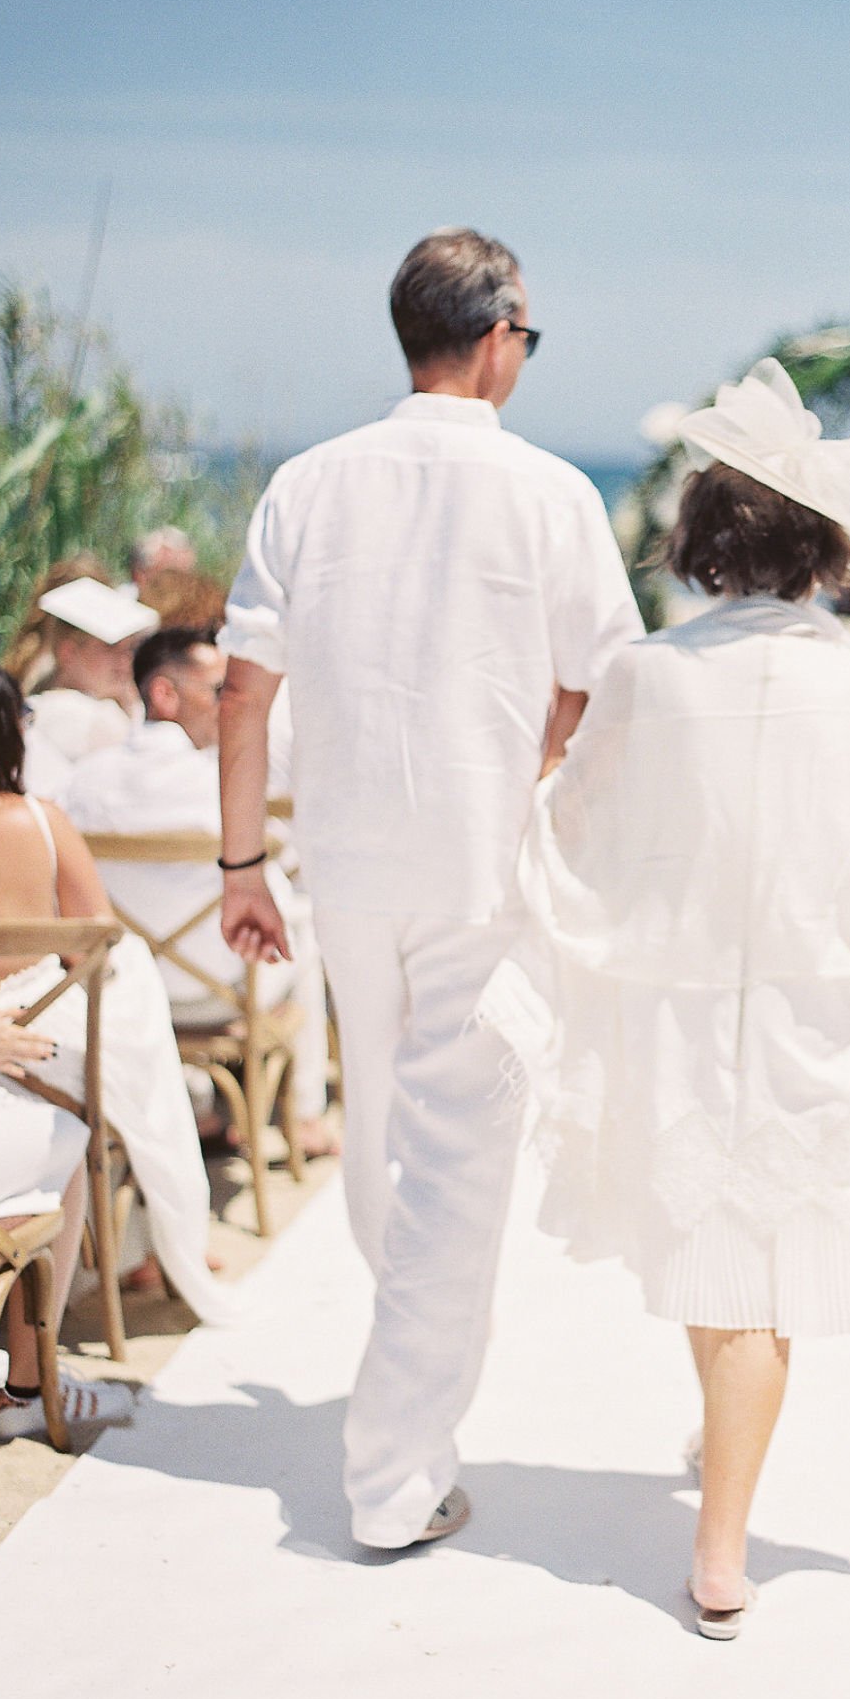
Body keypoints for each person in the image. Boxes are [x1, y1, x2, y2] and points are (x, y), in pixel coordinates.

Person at [484, 359, 850, 1637]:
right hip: (808, 1002)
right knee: (753, 1260)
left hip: (683, 1004)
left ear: (705, 543)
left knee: (723, 1259)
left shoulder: (650, 676)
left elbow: (576, 825)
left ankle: (719, 1542)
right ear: (817, 549)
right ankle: (723, 1489)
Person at [218, 226, 642, 1550]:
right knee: (455, 1166)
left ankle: (411, 1358)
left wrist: (241, 861)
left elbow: (243, 687)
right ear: (500, 333)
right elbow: (609, 678)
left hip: (343, 862)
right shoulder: (551, 494)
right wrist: (547, 747)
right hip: (476, 862)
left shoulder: (306, 482)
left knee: (386, 1123)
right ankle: (394, 1473)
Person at [0, 665, 234, 1322]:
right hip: (38, 1026)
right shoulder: (42, 820)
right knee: (125, 1094)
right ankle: (149, 1250)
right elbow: (95, 940)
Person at [62, 626, 335, 1158]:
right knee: (299, 923)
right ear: (164, 694)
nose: (229, 706)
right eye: (218, 692)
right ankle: (305, 1116)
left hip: (127, 987)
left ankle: (205, 1109)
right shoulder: (221, 790)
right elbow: (279, 869)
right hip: (224, 989)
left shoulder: (82, 784)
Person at [20, 576, 158, 788]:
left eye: (128, 649)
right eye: (110, 647)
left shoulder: (35, 702)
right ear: (69, 651)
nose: (124, 660)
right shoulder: (92, 716)